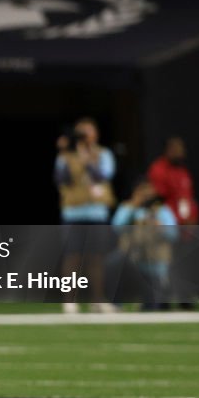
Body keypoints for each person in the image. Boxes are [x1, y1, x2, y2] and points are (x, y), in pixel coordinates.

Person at [55, 117, 116, 313]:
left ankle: (97, 300)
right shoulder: (65, 156)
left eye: (88, 132)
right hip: (73, 212)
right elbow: (61, 179)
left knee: (96, 257)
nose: (85, 137)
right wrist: (66, 153)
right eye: (81, 133)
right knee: (72, 257)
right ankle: (69, 301)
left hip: (96, 213)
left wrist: (88, 160)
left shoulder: (103, 154)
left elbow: (103, 176)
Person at [112, 178, 178, 310]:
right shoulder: (128, 208)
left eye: (149, 190)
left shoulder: (162, 210)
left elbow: (173, 234)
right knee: (114, 261)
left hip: (155, 264)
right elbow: (116, 227)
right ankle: (115, 304)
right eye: (142, 190)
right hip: (133, 263)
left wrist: (161, 227)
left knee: (153, 306)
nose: (146, 194)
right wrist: (133, 208)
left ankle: (155, 299)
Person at [147, 137, 199, 226]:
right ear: (169, 149)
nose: (181, 152)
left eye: (181, 149)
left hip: (188, 224)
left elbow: (187, 197)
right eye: (177, 149)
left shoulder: (182, 170)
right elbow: (157, 199)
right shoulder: (159, 169)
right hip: (169, 223)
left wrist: (192, 215)